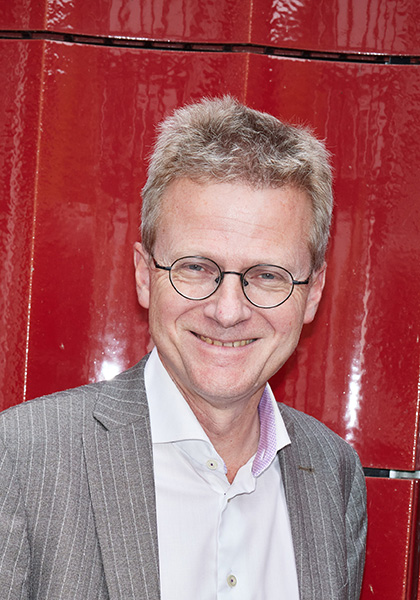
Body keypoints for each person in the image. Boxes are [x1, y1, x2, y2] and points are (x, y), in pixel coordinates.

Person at [0, 97, 366, 600]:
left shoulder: (335, 475)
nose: (228, 311)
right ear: (144, 275)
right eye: (196, 267)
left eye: (267, 275)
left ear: (314, 293)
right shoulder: (22, 459)